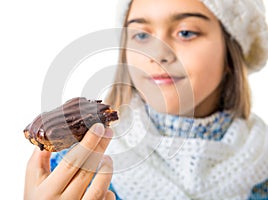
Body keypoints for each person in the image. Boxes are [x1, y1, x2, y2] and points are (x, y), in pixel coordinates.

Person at [24, 0, 268, 199]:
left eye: (185, 32)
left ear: (231, 51)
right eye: (141, 35)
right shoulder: (69, 172)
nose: (156, 53)